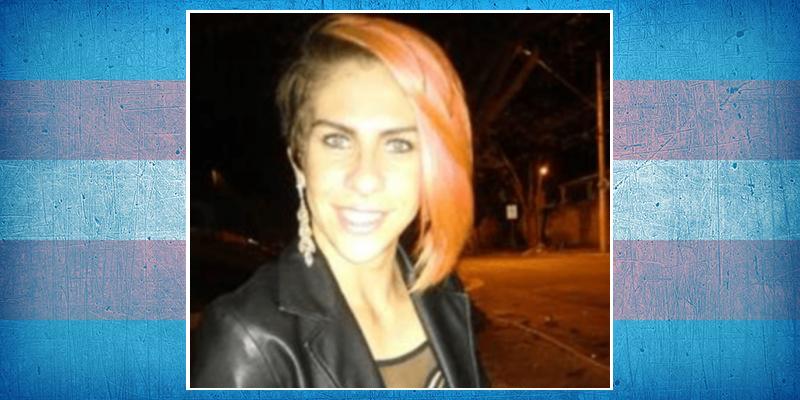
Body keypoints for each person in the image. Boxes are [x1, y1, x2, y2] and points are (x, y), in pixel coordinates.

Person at [191, 14, 486, 388]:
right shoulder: (248, 340)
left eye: (398, 144)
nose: (365, 178)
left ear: (432, 165)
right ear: (299, 159)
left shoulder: (443, 293)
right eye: (337, 140)